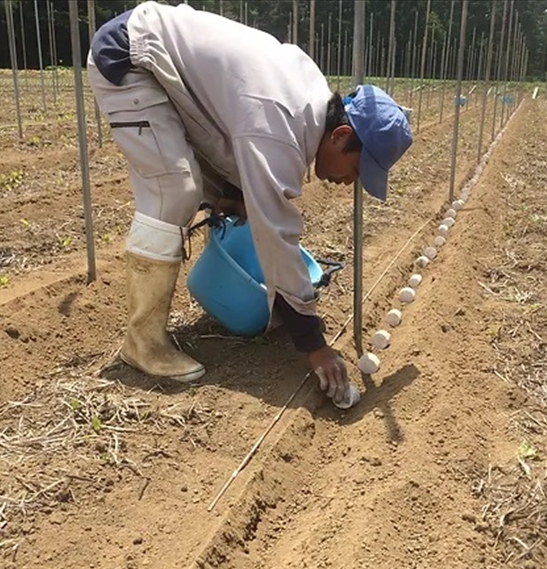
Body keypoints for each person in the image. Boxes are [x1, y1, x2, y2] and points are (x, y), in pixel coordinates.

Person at [87, 1, 412, 405]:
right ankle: (142, 342)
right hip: (130, 57)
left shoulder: (306, 103)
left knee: (212, 190)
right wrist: (313, 342)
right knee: (174, 190)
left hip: (159, 64)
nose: (351, 182)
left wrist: (236, 195)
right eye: (358, 169)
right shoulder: (280, 123)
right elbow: (274, 232)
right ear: (341, 135)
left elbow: (230, 138)